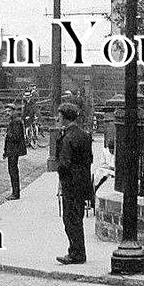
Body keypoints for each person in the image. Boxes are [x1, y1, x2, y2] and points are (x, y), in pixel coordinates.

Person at [54, 102, 94, 265]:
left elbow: (64, 163)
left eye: (59, 115)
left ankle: (76, 253)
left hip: (70, 182)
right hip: (82, 180)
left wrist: (62, 181)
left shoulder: (67, 136)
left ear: (63, 117)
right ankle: (78, 251)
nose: (58, 118)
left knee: (70, 219)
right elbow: (89, 159)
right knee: (77, 217)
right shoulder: (84, 134)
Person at [3, 104, 27, 200]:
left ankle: (15, 193)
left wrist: (8, 134)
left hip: (14, 150)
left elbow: (16, 137)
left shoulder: (16, 122)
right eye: (7, 111)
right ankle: (15, 192)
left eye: (9, 111)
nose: (7, 113)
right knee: (12, 171)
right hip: (11, 150)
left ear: (14, 111)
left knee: (13, 171)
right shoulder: (13, 121)